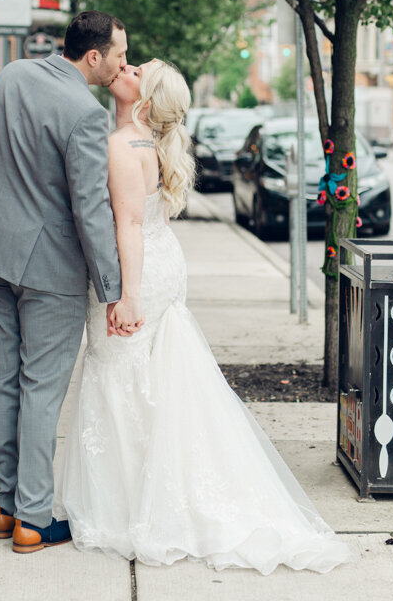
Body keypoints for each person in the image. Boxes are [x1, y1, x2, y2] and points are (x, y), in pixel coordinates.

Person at [55, 59, 355, 573]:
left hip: (139, 274)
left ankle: (128, 506)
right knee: (152, 383)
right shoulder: (146, 144)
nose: (124, 66)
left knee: (122, 381)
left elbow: (127, 226)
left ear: (144, 103)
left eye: (135, 70)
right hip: (161, 263)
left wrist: (126, 297)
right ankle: (148, 491)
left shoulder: (123, 146)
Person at [0, 11, 135, 555]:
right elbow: (91, 210)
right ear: (94, 56)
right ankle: (34, 518)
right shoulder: (87, 113)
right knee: (41, 387)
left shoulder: (10, 76)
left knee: (3, 374)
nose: (124, 62)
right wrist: (114, 288)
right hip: (49, 268)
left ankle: (4, 507)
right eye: (120, 53)